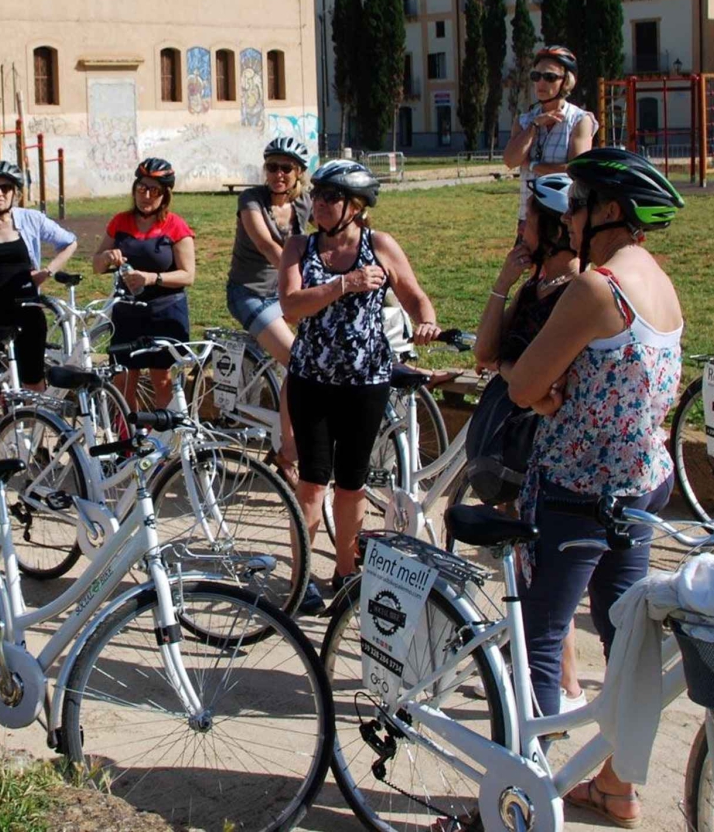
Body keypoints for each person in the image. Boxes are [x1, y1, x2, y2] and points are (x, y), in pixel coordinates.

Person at [504, 147, 685, 826]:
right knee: (626, 641)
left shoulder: (595, 288)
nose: (569, 218)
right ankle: (617, 784)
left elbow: (523, 383)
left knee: (540, 637)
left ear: (610, 211)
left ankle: (526, 796)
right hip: (640, 485)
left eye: (578, 205)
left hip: (578, 486)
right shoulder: (660, 283)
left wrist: (548, 398)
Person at [277, 160, 439, 597]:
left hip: (366, 382)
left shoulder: (379, 245)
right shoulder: (299, 247)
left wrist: (426, 320)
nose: (319, 203)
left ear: (356, 206)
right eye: (317, 194)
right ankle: (300, 580)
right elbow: (290, 306)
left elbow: (414, 295)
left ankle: (346, 573)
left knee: (352, 483)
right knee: (312, 482)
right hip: (311, 380)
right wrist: (343, 284)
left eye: (331, 196)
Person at [472, 170, 585, 709]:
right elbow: (485, 351)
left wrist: (509, 370)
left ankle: (561, 686)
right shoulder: (536, 287)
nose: (521, 227)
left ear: (556, 229)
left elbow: (543, 383)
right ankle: (550, 674)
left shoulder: (574, 293)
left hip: (545, 445)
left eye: (529, 219)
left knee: (542, 571)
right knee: (528, 565)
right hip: (516, 441)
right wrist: (504, 280)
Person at [225, 136, 312, 477]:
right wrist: (303, 283)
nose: (278, 174)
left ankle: (294, 431)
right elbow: (267, 246)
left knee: (322, 353)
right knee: (299, 361)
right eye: (272, 167)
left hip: (286, 293)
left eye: (286, 168)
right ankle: (287, 452)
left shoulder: (305, 203)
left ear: (299, 172)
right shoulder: (251, 200)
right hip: (249, 293)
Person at [0, 161, 77, 390]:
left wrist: (47, 271)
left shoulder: (32, 219)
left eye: (5, 188)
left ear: (15, 193)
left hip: (27, 312)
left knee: (33, 381)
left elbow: (69, 242)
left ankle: (33, 415)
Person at [91, 159, 196, 409]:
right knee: (123, 380)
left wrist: (152, 278)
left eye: (154, 190)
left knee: (162, 380)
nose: (146, 196)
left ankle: (165, 432)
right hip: (127, 311)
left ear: (165, 195)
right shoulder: (120, 221)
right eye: (141, 188)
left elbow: (188, 275)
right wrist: (107, 257)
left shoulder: (175, 225)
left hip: (165, 310)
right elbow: (96, 266)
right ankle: (129, 432)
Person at [502, 46, 598, 235]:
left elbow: (577, 170)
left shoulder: (579, 120)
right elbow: (510, 161)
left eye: (550, 77)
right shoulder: (524, 121)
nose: (541, 83)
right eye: (536, 76)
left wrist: (532, 165)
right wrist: (534, 126)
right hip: (529, 219)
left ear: (567, 82)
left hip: (565, 220)